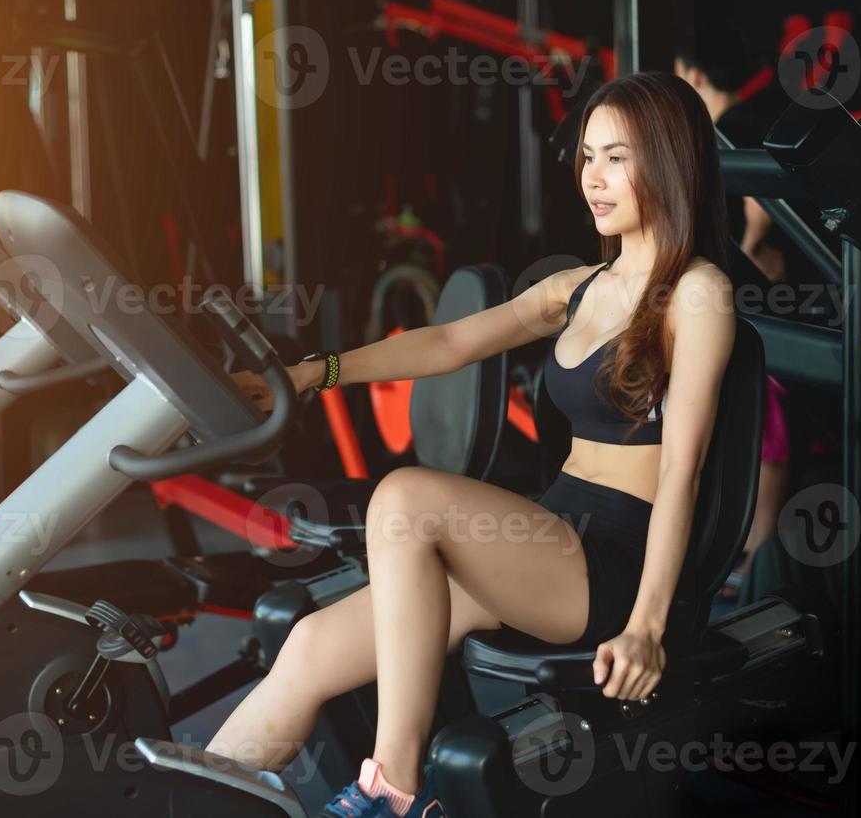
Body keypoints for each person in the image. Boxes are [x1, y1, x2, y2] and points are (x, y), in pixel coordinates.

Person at [216, 71, 737, 817]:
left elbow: (683, 472)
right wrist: (308, 374)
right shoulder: (579, 287)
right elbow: (451, 342)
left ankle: (395, 791)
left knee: (405, 498)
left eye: (616, 157)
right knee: (305, 647)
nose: (593, 178)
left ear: (669, 159)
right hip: (547, 543)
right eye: (587, 157)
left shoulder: (697, 293)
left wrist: (649, 629)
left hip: (610, 569)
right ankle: (183, 797)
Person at [676, 26, 794, 599]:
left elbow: (762, 205)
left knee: (765, 419)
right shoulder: (753, 114)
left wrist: (746, 255)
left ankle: (758, 553)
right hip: (772, 289)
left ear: (695, 75)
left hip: (767, 289)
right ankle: (753, 551)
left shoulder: (729, 127)